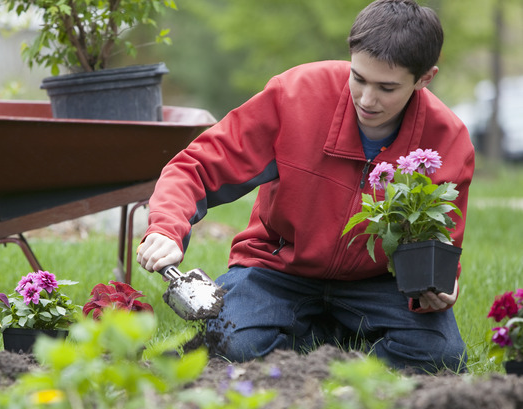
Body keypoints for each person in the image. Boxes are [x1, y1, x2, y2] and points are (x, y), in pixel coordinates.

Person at [136, 0, 475, 373]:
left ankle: (321, 348)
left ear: (425, 78)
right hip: (278, 270)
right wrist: (167, 228)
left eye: (387, 88)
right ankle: (335, 340)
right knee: (233, 341)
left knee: (441, 355)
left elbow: (441, 243)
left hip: (378, 283)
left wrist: (442, 288)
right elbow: (197, 166)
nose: (366, 99)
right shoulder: (295, 94)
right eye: (358, 78)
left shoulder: (449, 140)